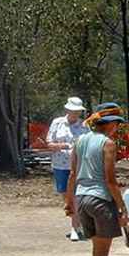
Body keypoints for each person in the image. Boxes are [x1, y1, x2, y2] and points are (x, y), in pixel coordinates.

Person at [66, 103, 127, 256]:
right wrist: (122, 207)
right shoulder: (107, 144)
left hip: (82, 198)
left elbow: (73, 174)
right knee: (102, 251)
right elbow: (110, 180)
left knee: (97, 246)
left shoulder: (80, 140)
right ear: (110, 124)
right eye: (117, 124)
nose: (117, 128)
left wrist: (69, 201)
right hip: (100, 199)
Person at [46, 97, 89, 241]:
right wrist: (61, 146)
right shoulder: (57, 123)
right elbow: (49, 143)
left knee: (76, 196)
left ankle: (74, 227)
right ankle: (77, 222)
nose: (76, 113)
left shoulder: (84, 126)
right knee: (65, 195)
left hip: (78, 166)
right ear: (68, 110)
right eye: (73, 111)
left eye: (78, 111)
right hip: (60, 165)